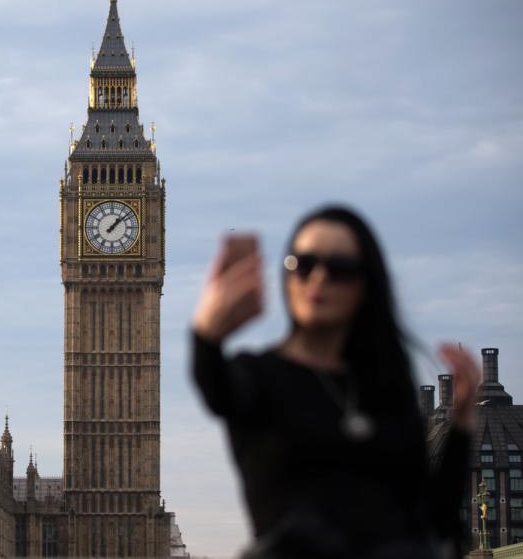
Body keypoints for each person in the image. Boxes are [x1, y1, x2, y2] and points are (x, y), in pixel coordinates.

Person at [191, 205, 481, 559]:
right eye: (304, 264)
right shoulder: (259, 375)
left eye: (339, 270)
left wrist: (461, 427)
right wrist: (206, 337)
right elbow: (216, 389)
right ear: (287, 275)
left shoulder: (386, 388)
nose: (319, 279)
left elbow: (431, 520)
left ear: (366, 285)